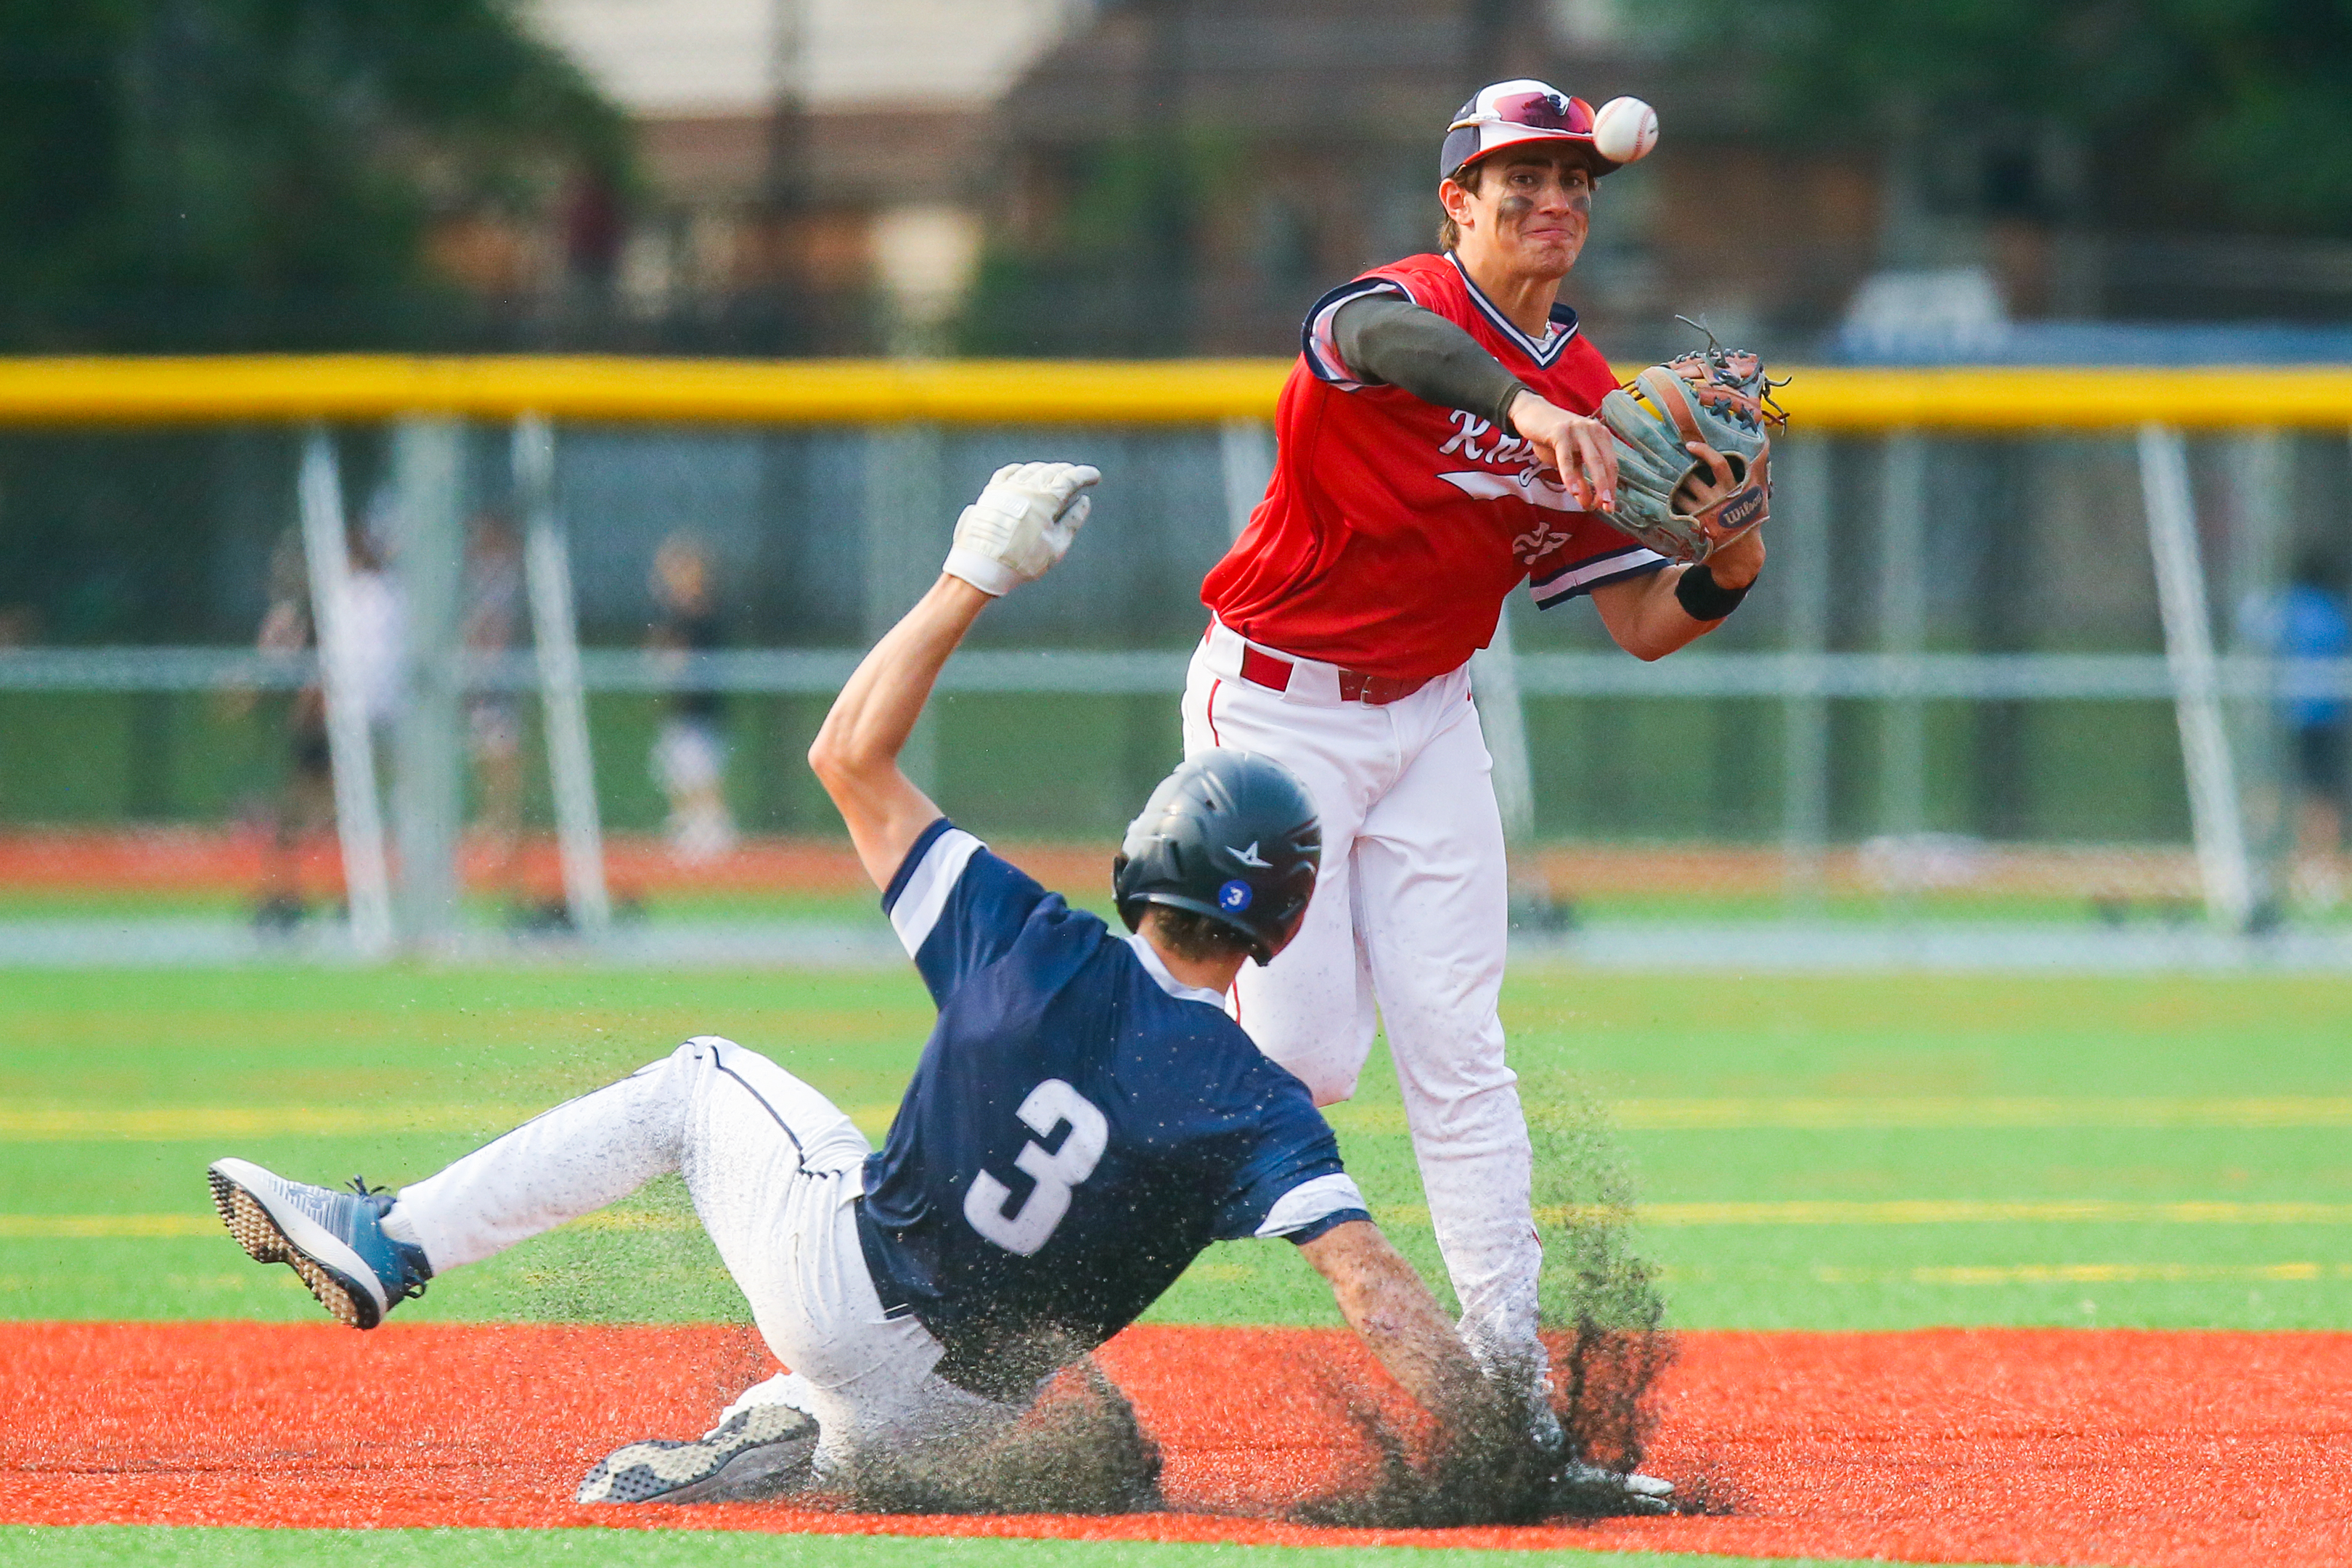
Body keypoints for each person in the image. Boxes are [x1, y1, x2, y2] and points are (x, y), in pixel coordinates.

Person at [204, 462, 1643, 1512]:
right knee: (998, 1401)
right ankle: (799, 1442)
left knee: (700, 1078)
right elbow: (1372, 1286)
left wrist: (973, 574)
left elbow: (849, 758)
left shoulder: (1033, 942)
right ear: (1279, 922)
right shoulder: (1265, 1106)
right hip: (973, 1412)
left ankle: (388, 1245)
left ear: (1149, 856)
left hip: (851, 1294)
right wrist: (1508, 1447)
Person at [1183, 79, 1767, 1439]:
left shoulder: (1595, 397)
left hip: (1434, 722)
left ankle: (1512, 1394)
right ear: (1457, 202)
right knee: (1316, 1060)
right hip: (1279, 710)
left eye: (1574, 182)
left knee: (1459, 1050)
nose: (1554, 200)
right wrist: (1521, 408)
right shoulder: (1393, 310)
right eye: (1521, 179)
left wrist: (1731, 564)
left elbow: (1640, 624)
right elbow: (1376, 342)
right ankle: (1114, 1059)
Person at [647, 533, 737, 861]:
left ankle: (715, 833)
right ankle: (693, 830)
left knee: (702, 774)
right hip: (682, 712)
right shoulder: (674, 613)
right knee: (678, 772)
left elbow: (676, 657)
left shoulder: (701, 614)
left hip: (702, 712)